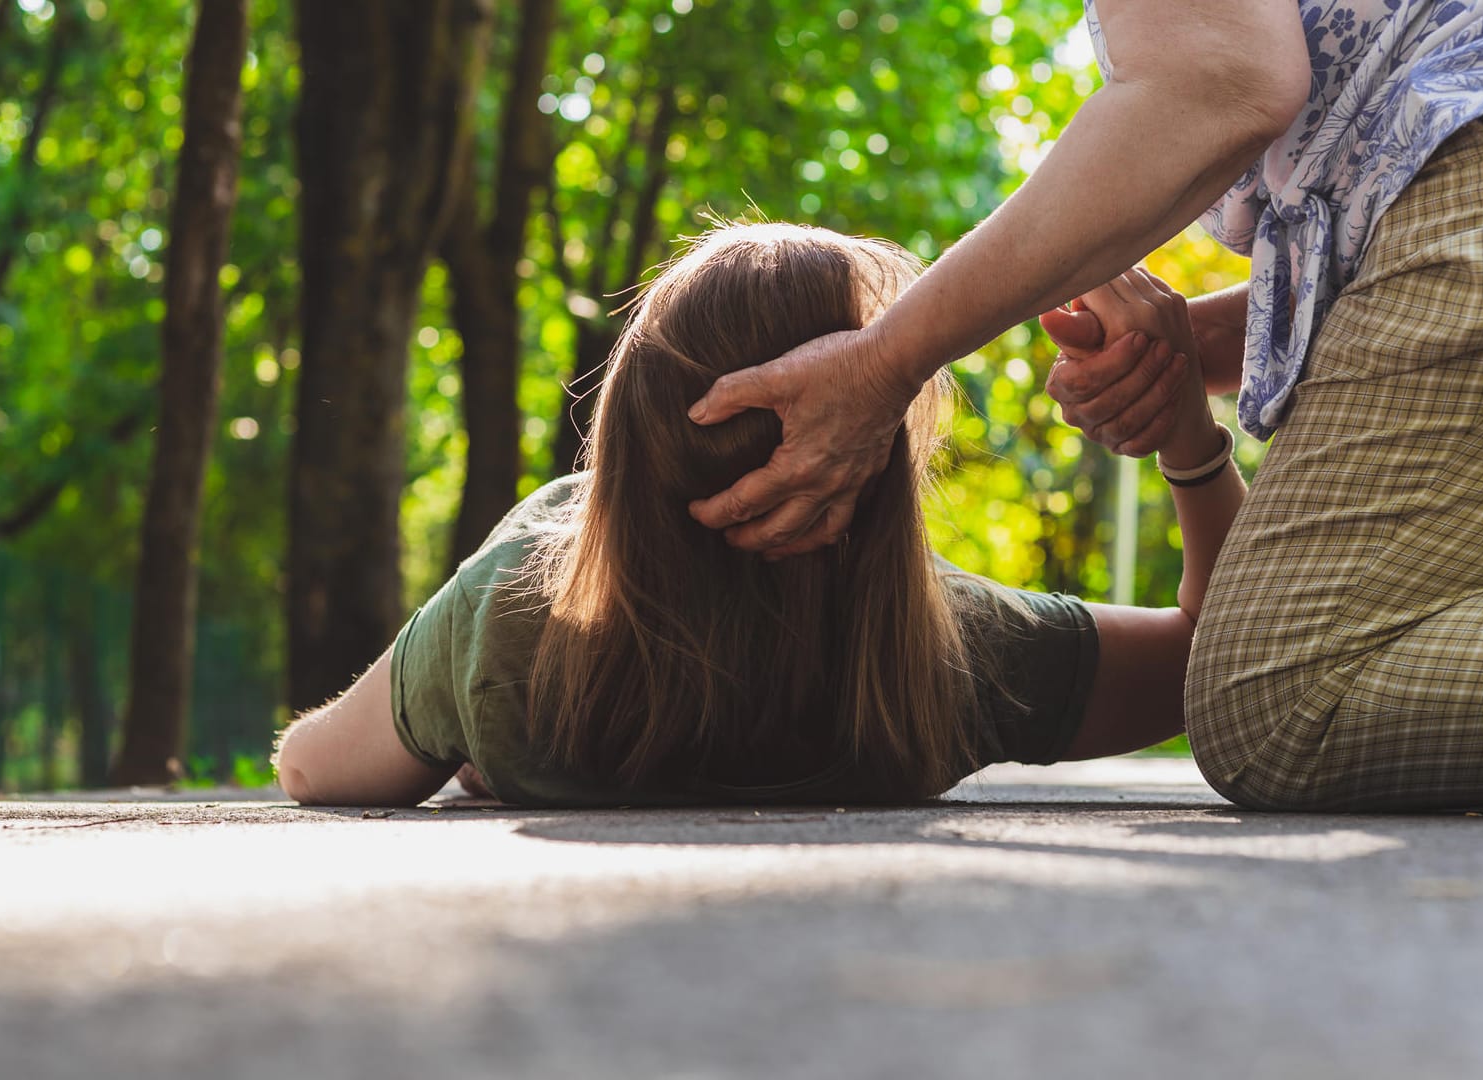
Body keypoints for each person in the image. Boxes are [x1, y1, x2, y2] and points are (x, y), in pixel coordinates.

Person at [683, 1, 1483, 811]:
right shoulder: (964, 655)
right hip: (1467, 160)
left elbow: (1222, 79)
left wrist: (885, 360)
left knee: (1279, 703)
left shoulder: (552, 625)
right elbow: (1225, 79)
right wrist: (1181, 367)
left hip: (1477, 160)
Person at [273, 223, 1241, 808]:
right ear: (875, 460)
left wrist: (476, 706)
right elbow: (1222, 660)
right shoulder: (956, 654)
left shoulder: (511, 624)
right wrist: (1190, 444)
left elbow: (313, 770)